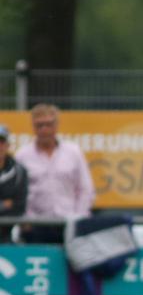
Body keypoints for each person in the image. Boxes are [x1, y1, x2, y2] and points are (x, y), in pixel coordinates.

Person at [16, 104, 95, 244]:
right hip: (36, 226)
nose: (44, 130)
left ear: (56, 125)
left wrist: (79, 217)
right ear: (33, 127)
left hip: (69, 223)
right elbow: (18, 192)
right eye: (39, 125)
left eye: (48, 124)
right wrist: (26, 220)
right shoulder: (23, 155)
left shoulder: (73, 152)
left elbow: (85, 188)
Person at [0, 124, 28, 243]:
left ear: (8, 145)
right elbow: (10, 204)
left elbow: (19, 205)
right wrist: (5, 204)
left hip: (8, 235)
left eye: (1, 141)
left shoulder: (19, 172)